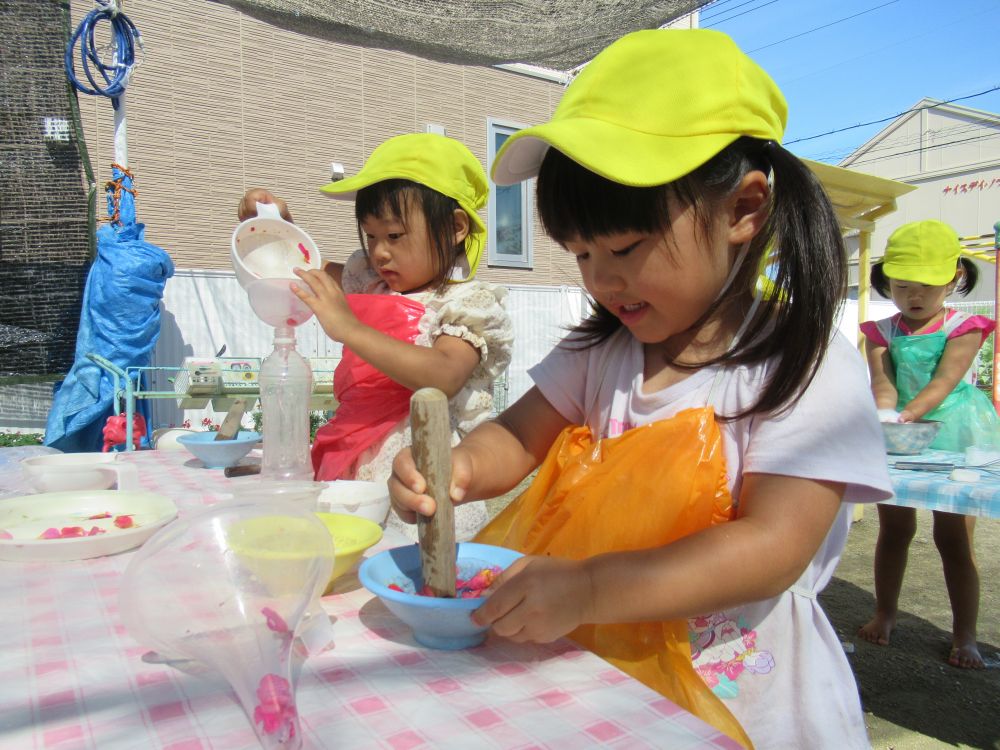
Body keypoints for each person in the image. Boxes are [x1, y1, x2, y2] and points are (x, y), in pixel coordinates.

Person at [388, 29, 893, 750]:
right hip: (609, 677)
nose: (601, 280)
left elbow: (774, 545)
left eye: (624, 249)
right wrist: (458, 468)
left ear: (743, 210)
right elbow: (516, 434)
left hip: (744, 698)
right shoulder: (603, 352)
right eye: (584, 254)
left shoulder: (805, 365)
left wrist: (593, 587)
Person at [238, 133, 514, 541]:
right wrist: (274, 225)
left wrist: (349, 327)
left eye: (395, 236)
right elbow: (303, 270)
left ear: (456, 228)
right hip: (353, 465)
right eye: (370, 236)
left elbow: (444, 375)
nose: (380, 252)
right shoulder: (369, 281)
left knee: (405, 575)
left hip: (422, 476)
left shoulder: (466, 304)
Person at [857, 219, 997, 669]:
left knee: (953, 537)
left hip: (955, 432)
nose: (913, 297)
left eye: (925, 286)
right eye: (901, 287)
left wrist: (908, 415)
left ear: (955, 277)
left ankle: (965, 635)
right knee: (893, 529)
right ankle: (885, 613)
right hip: (902, 435)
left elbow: (944, 382)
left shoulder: (965, 327)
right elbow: (883, 384)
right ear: (886, 282)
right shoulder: (881, 333)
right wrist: (885, 414)